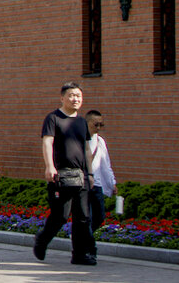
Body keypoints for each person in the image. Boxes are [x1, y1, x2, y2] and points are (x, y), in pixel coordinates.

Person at [34, 82, 97, 266]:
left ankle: (79, 254)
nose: (75, 99)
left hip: (81, 175)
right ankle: (42, 240)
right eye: (71, 95)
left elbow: (86, 148)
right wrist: (49, 166)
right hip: (60, 175)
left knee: (83, 217)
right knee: (61, 215)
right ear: (62, 98)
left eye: (78, 95)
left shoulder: (81, 122)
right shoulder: (53, 118)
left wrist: (90, 173)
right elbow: (47, 143)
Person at [86, 110, 117, 230]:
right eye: (96, 124)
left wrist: (112, 183)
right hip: (83, 183)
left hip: (96, 184)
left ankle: (82, 238)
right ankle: (85, 244)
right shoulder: (79, 139)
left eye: (101, 125)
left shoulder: (100, 141)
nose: (98, 128)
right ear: (87, 123)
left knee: (99, 216)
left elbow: (106, 165)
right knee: (86, 216)